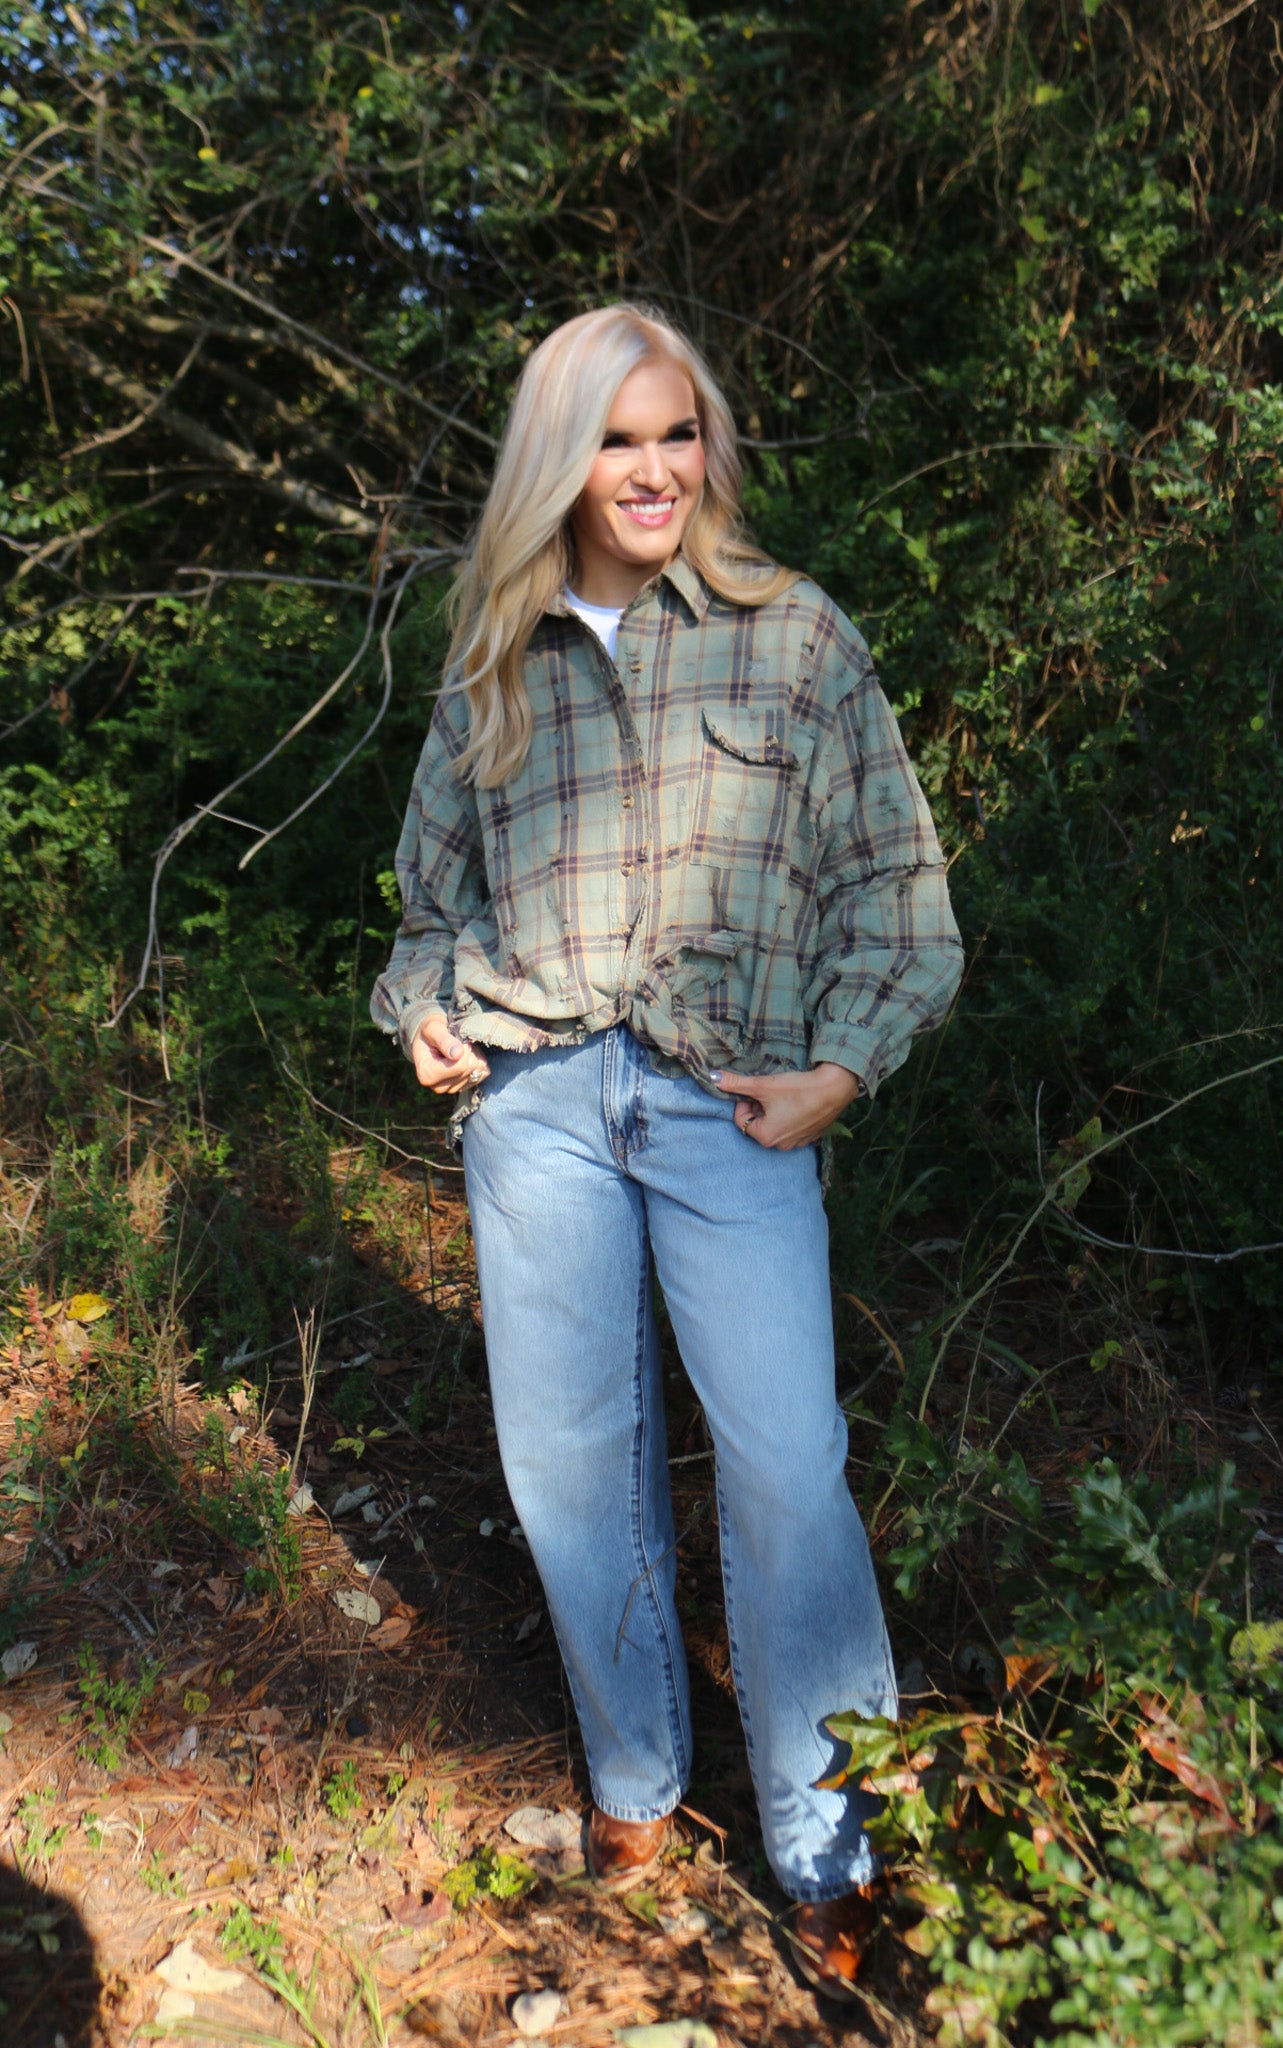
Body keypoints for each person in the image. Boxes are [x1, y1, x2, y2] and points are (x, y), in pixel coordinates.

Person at [372, 303, 962, 1993]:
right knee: (571, 1466)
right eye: (615, 440)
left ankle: (830, 1839)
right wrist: (426, 1006)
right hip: (538, 1101)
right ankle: (636, 1784)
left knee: (786, 1468)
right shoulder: (496, 653)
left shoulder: (792, 640)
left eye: (676, 434)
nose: (650, 471)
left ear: (707, 447)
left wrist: (837, 1072)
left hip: (729, 1106)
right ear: (558, 460)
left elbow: (901, 899)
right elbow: (428, 903)